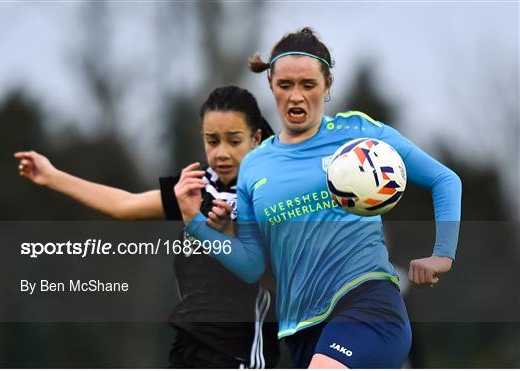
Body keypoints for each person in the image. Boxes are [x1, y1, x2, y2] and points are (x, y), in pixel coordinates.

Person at [176, 28, 462, 368]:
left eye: (308, 85)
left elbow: (444, 179)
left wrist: (442, 255)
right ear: (270, 85)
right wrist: (197, 223)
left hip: (367, 302)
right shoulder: (254, 166)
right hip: (300, 328)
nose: (296, 96)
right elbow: (252, 265)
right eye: (285, 85)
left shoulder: (359, 134)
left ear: (327, 86)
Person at [15, 86, 280, 369]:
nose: (222, 153)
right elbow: (125, 206)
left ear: (255, 139)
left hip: (237, 352)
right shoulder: (194, 186)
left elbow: (273, 272)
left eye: (234, 141)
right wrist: (52, 176)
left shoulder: (267, 192)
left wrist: (229, 234)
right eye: (212, 141)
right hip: (188, 346)